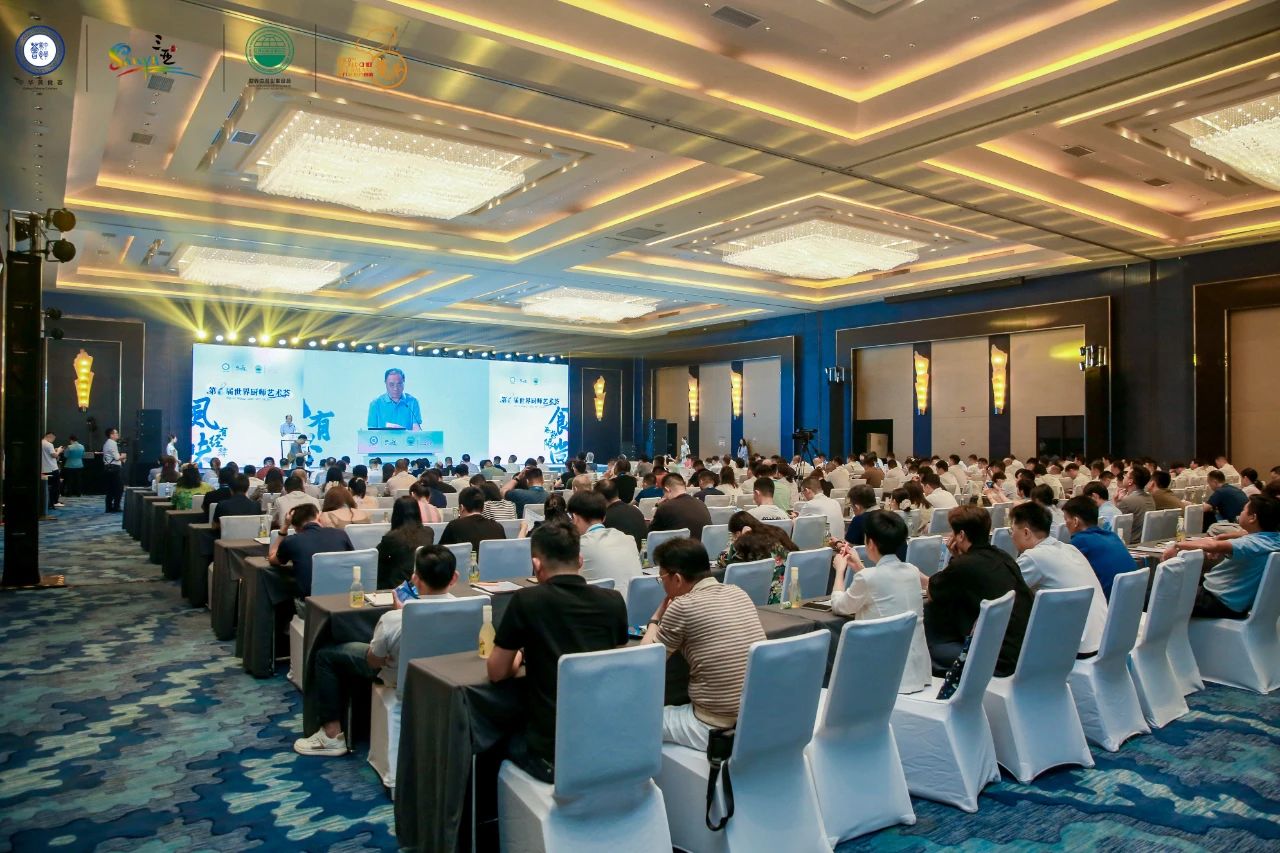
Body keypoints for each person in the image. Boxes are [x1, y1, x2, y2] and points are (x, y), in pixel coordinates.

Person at [488, 520, 628, 782]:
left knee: (492, 740)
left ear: (536, 564)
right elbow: (616, 658)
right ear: (580, 561)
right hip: (604, 737)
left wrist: (520, 654)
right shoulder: (613, 601)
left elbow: (496, 672)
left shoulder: (527, 601)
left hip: (549, 751)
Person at [294, 545, 459, 756]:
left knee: (325, 656)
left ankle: (331, 735)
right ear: (454, 578)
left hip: (397, 678)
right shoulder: (469, 609)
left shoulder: (393, 619)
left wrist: (399, 617)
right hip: (447, 678)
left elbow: (373, 661)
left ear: (415, 579)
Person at [641, 537, 766, 750]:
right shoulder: (738, 592)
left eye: (661, 578)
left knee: (634, 720)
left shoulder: (682, 606)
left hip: (713, 725)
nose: (662, 585)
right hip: (754, 716)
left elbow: (647, 660)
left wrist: (655, 619)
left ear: (677, 579)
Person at [830, 511, 932, 694]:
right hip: (917, 669)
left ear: (870, 543)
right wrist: (860, 567)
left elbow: (839, 606)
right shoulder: (911, 570)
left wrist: (840, 571)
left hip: (884, 674)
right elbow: (881, 584)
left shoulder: (868, 578)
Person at [925, 506, 1032, 677]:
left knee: (926, 628)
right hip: (1018, 650)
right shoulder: (1003, 556)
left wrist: (956, 559)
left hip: (992, 658)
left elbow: (932, 593)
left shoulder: (964, 565)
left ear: (961, 535)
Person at [1008, 502, 1107, 656]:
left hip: (1075, 649)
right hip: (1103, 639)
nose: (1011, 536)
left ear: (1026, 533)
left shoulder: (1033, 557)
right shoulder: (1070, 549)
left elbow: (1002, 592)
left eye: (1012, 531)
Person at [1164, 494, 1280, 618]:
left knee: (1159, 594)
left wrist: (1178, 546)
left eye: (1243, 510)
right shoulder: (1272, 540)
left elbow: (1214, 546)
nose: (1240, 513)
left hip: (1217, 601)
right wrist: (1224, 537)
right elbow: (1244, 535)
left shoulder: (1250, 544)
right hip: (1236, 603)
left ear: (1253, 518)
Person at [269, 503, 354, 600]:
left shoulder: (292, 541)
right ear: (318, 516)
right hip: (343, 598)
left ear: (295, 527)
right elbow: (353, 560)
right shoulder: (340, 534)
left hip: (309, 602)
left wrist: (285, 526)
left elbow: (272, 558)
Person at [568, 491, 643, 600]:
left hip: (602, 607)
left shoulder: (579, 546)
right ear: (604, 518)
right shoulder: (628, 539)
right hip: (637, 607)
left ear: (574, 518)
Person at [715, 510, 797, 604]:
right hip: (790, 592)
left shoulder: (745, 542)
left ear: (737, 533)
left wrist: (734, 543)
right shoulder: (777, 531)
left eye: (733, 535)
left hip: (768, 598)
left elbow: (723, 560)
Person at [1061, 496, 1132, 600]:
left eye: (1066, 520)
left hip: (1104, 605)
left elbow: (1064, 576)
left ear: (1075, 521)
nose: (1066, 525)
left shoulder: (1080, 541)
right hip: (1129, 601)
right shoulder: (1112, 536)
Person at [376, 496, 436, 589]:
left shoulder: (392, 537)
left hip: (398, 585)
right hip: (424, 582)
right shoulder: (428, 532)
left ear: (396, 514)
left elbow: (376, 555)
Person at [650, 471, 713, 540]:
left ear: (667, 490)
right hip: (703, 546)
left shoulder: (665, 507)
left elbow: (651, 534)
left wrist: (657, 506)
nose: (664, 496)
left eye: (664, 493)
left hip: (679, 546)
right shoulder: (701, 504)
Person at [439, 486, 506, 550]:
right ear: (483, 508)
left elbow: (441, 552)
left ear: (461, 508)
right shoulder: (498, 527)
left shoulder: (453, 526)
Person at [596, 479, 646, 551]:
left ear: (600, 499)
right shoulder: (637, 511)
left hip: (621, 555)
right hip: (640, 555)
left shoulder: (605, 518)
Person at [1117, 467, 1156, 543]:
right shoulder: (1149, 497)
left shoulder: (1127, 501)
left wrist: (1117, 502)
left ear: (1130, 482)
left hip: (1130, 543)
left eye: (1126, 475)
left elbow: (1116, 525)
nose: (1124, 476)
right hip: (1144, 542)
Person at [797, 476, 843, 540]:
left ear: (807, 490)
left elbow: (797, 525)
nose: (803, 496)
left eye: (802, 492)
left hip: (824, 543)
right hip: (839, 542)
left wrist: (793, 519)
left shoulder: (809, 504)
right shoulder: (835, 502)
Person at [41, 431, 63, 510]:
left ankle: (48, 502)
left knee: (46, 487)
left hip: (43, 469)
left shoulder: (40, 443)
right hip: (52, 468)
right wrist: (59, 451)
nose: (53, 440)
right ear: (50, 436)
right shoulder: (49, 444)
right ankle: (54, 502)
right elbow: (54, 455)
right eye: (53, 438)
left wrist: (54, 450)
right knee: (55, 486)